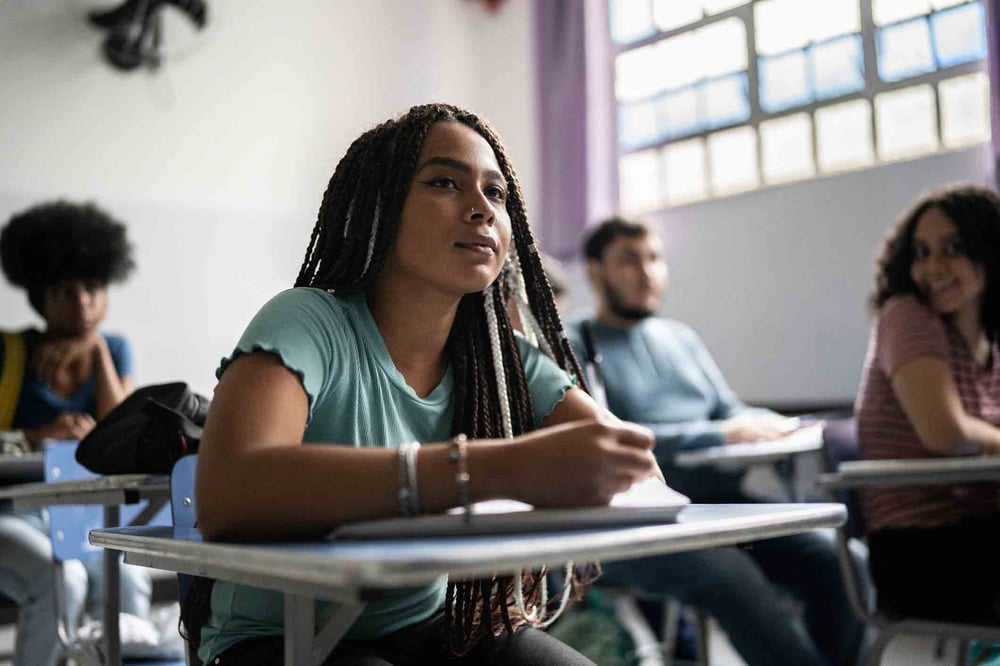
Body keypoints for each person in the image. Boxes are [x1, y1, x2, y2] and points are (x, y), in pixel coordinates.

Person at [193, 103, 658, 666]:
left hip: (429, 626)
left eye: (497, 193)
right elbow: (228, 492)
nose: (482, 209)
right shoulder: (308, 321)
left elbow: (635, 472)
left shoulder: (500, 359)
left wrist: (603, 464)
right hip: (281, 638)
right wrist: (494, 470)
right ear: (379, 209)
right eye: (444, 182)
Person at [566, 216, 864, 666]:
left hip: (725, 507)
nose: (647, 272)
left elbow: (730, 410)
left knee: (843, 562)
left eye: (655, 258)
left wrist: (780, 424)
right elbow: (603, 441)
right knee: (733, 577)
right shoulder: (575, 341)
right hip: (641, 522)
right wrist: (719, 434)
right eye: (629, 260)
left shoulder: (681, 339)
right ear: (594, 270)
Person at [0, 200, 152, 666]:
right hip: (13, 513)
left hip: (86, 516)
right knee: (63, 577)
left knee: (128, 575)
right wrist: (36, 436)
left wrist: (97, 350)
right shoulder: (9, 352)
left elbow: (124, 434)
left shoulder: (115, 349)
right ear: (40, 298)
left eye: (93, 288)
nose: (83, 302)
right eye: (65, 292)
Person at [856, 184, 1000, 624]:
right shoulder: (907, 314)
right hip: (922, 547)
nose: (932, 266)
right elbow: (945, 432)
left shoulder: (990, 341)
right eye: (921, 252)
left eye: (953, 248)